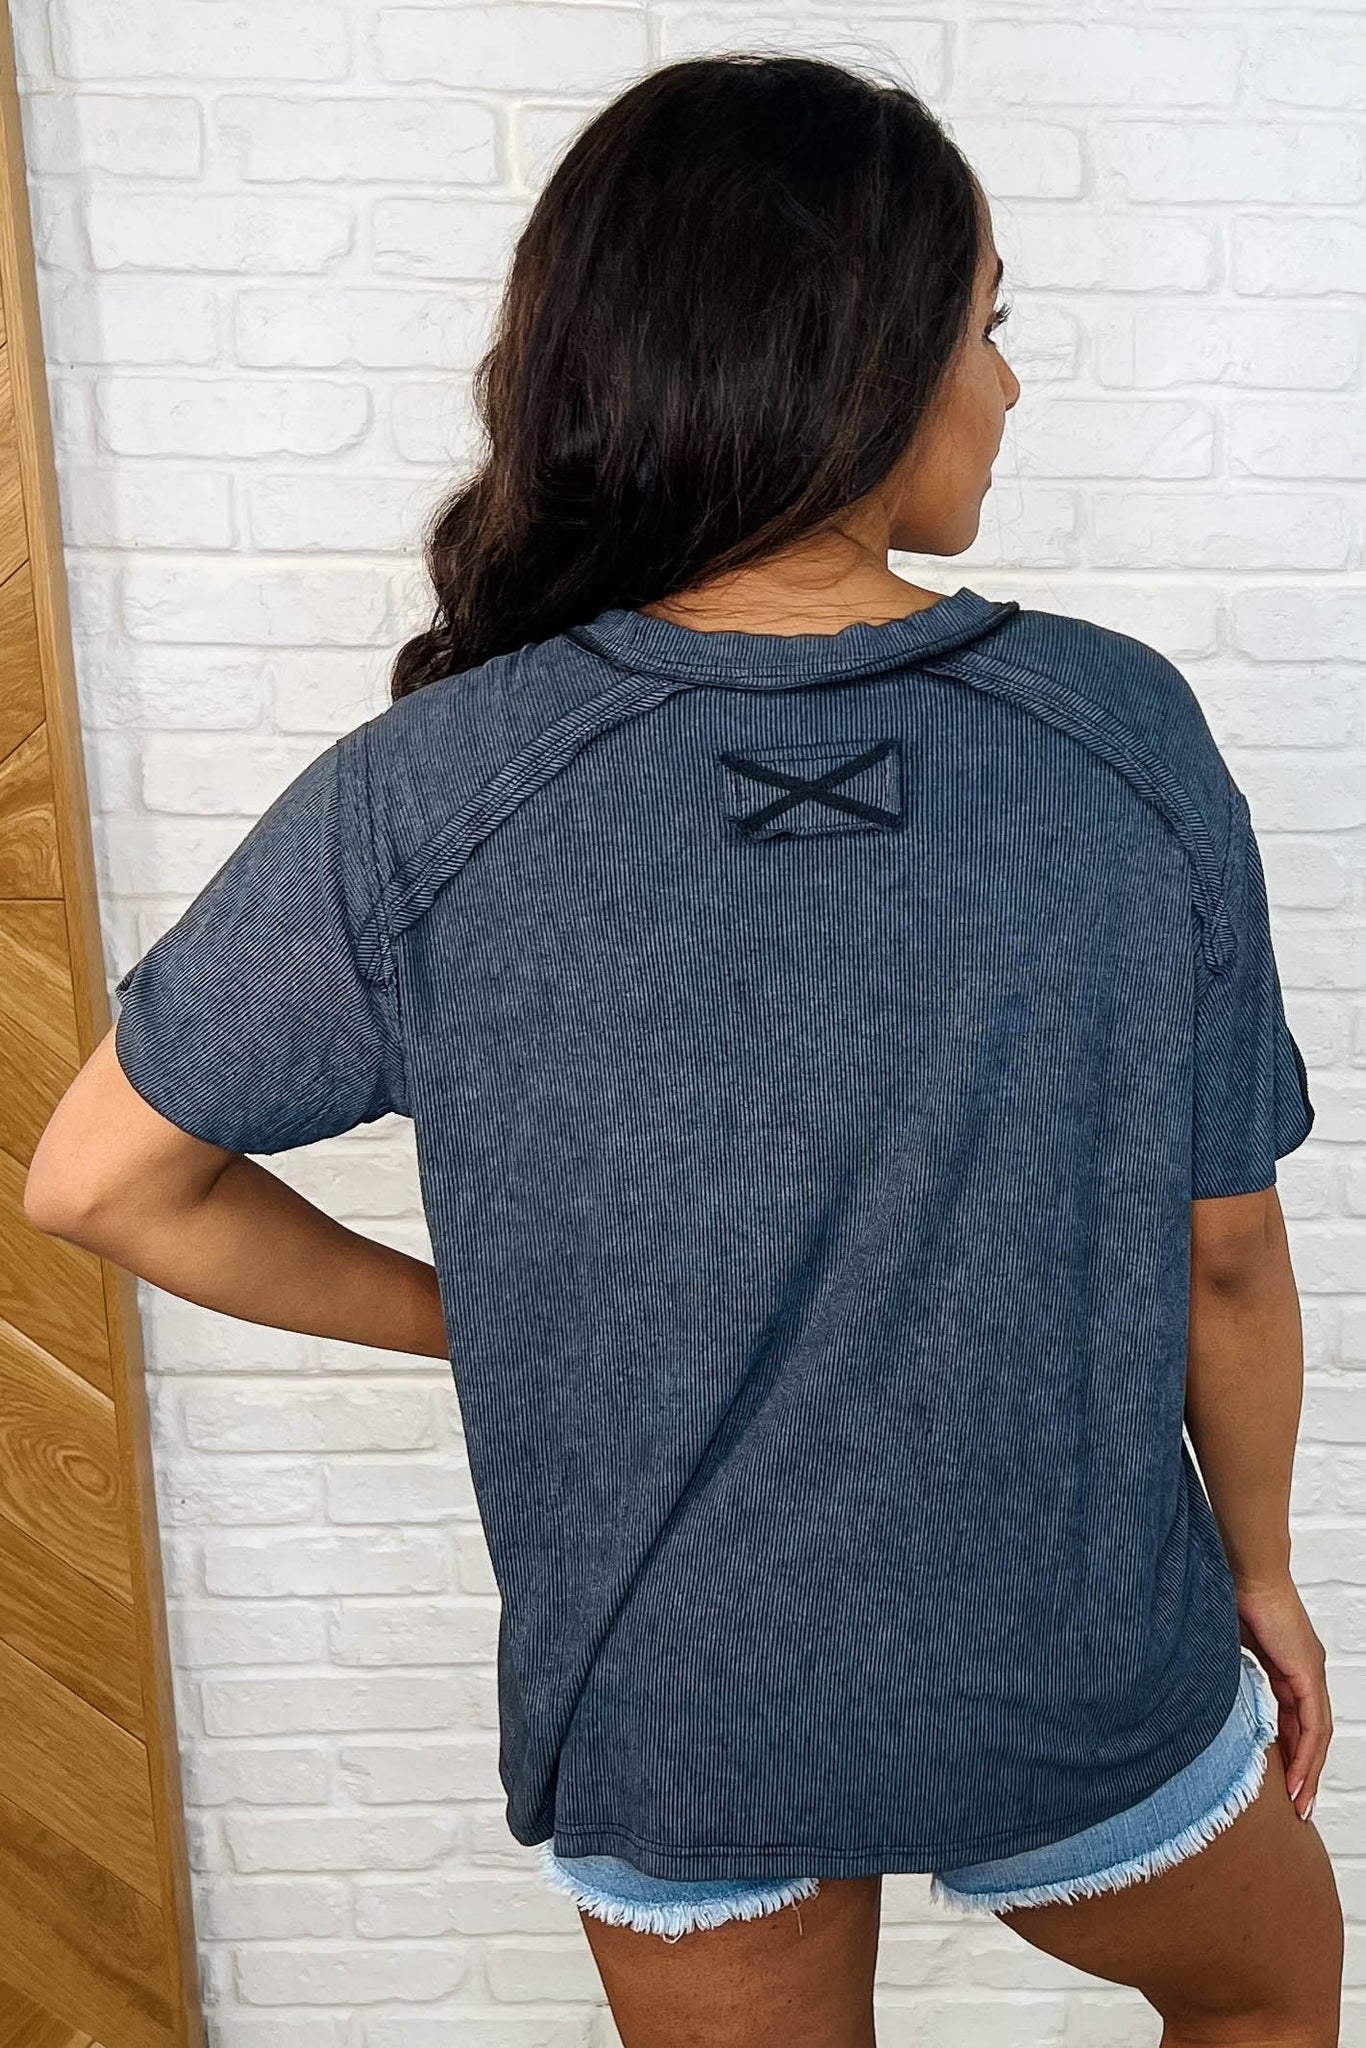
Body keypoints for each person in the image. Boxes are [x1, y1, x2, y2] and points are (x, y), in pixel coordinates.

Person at [25, 50, 1343, 2048]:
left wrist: (482, 1320)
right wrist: (1261, 1572)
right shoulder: (1115, 733)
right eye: (984, 329)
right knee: (1263, 2001)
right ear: (857, 358)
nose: (1004, 387)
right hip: (1075, 1663)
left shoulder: (428, 788)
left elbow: (98, 1180)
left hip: (671, 1710)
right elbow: (1223, 1256)